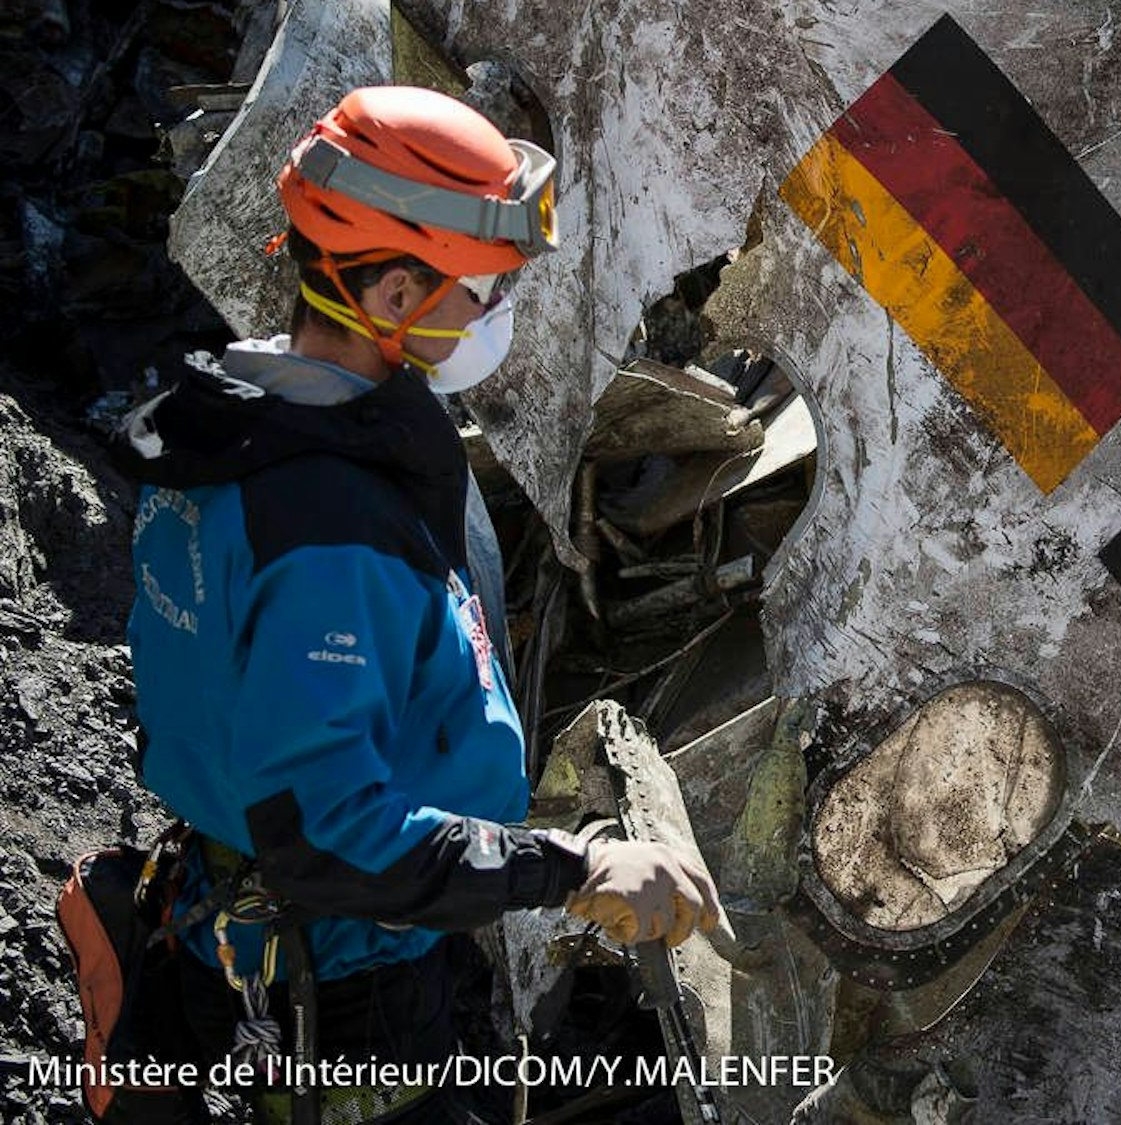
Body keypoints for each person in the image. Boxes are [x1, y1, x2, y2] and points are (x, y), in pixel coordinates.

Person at [113, 86, 725, 1124]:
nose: (498, 313)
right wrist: (575, 866)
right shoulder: (324, 530)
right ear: (392, 297)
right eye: (484, 288)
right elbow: (329, 832)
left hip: (264, 917)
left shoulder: (242, 422)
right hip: (347, 992)